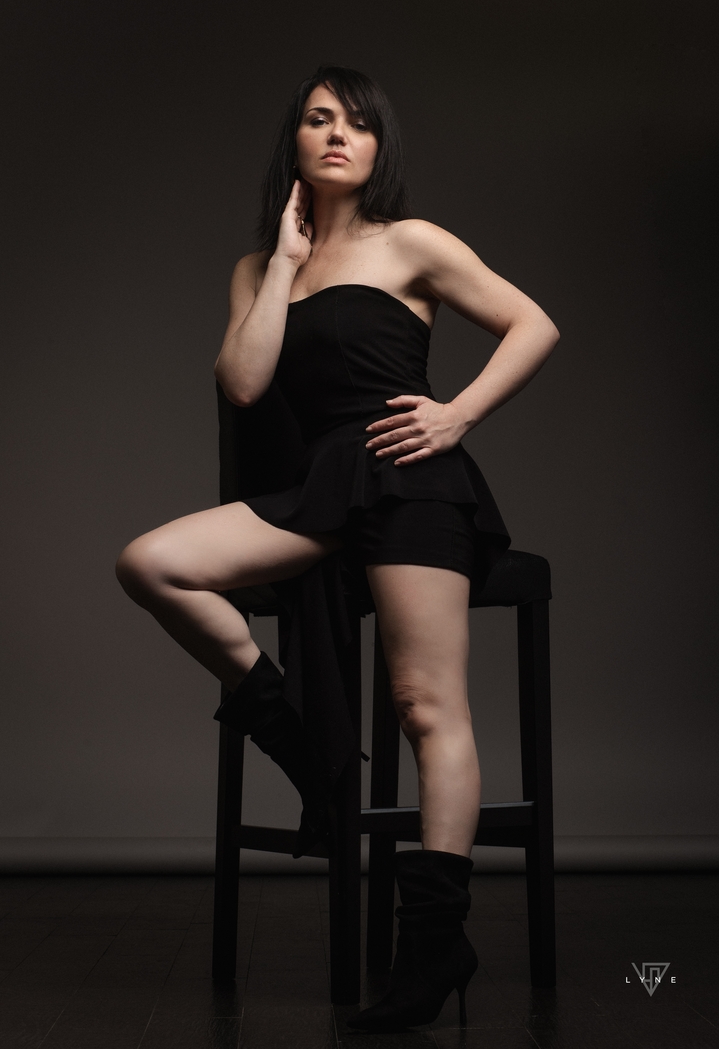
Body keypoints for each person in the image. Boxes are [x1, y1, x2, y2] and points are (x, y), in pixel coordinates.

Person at [116, 65, 559, 1031]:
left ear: (377, 147)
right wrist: (284, 262)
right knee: (150, 563)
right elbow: (243, 384)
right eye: (319, 119)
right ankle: (310, 755)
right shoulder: (257, 267)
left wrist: (457, 415)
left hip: (407, 479)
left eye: (358, 124)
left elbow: (534, 323)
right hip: (317, 491)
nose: (337, 135)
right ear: (296, 140)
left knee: (423, 703)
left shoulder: (413, 243)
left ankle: (434, 945)